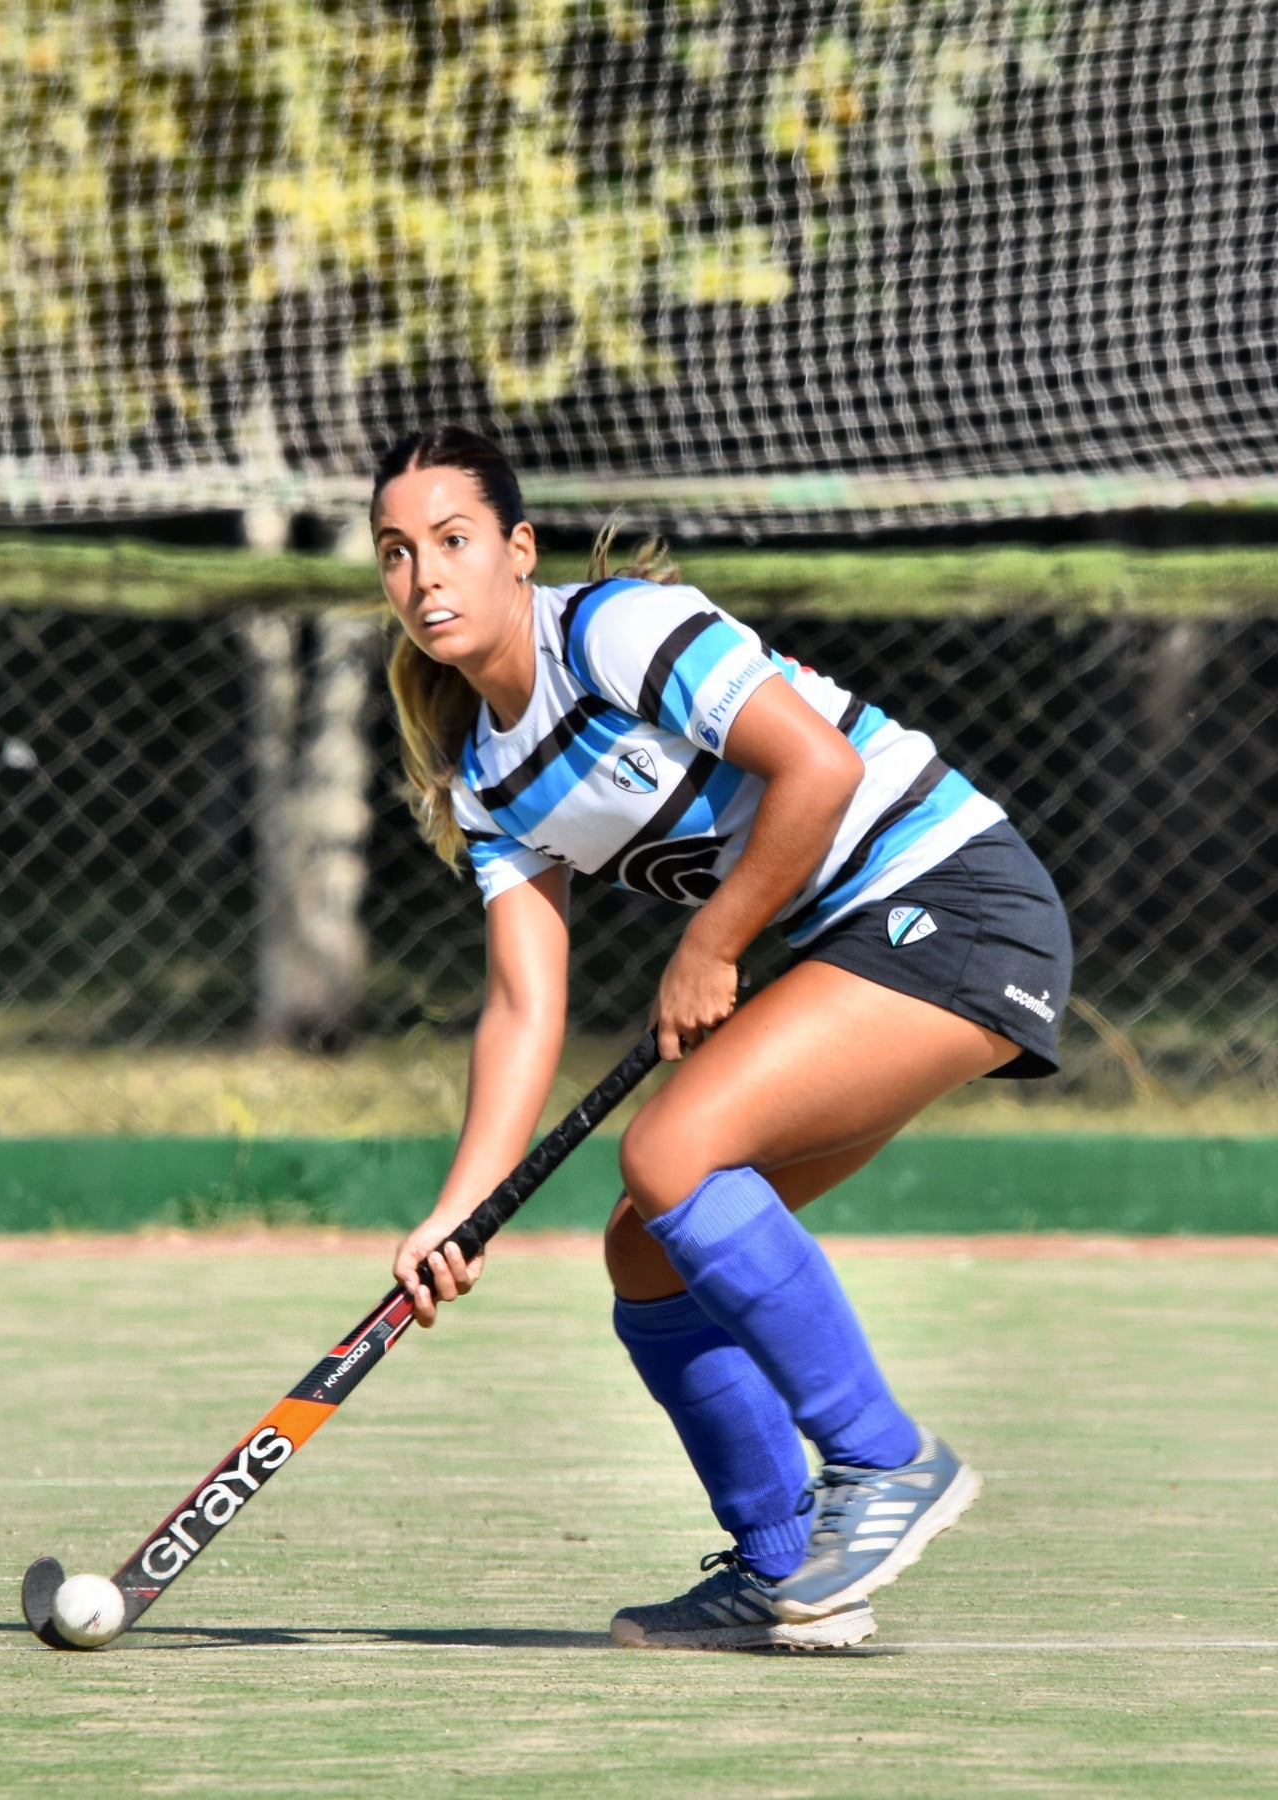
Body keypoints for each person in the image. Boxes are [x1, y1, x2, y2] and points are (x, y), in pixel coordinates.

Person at [375, 425, 1072, 1652]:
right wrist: (461, 1209)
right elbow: (524, 1005)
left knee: (673, 1149)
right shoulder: (489, 780)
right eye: (396, 553)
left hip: (955, 899)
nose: (425, 576)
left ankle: (887, 1462)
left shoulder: (618, 631)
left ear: (516, 551)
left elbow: (819, 764)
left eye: (453, 541)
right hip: (857, 943)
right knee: (646, 1251)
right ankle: (786, 1568)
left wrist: (711, 947)